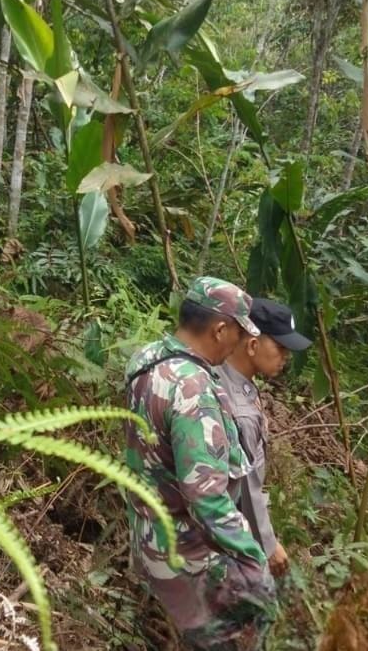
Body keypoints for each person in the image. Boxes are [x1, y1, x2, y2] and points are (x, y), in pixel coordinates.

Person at [123, 276, 277, 651]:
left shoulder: (148, 361)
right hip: (188, 559)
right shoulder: (194, 391)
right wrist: (253, 557)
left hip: (147, 539)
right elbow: (205, 497)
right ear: (220, 329)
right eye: (240, 333)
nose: (241, 343)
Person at [219, 298, 312, 579]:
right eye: (281, 348)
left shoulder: (223, 375)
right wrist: (268, 545)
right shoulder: (238, 407)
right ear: (252, 345)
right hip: (229, 532)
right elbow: (246, 482)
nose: (285, 357)